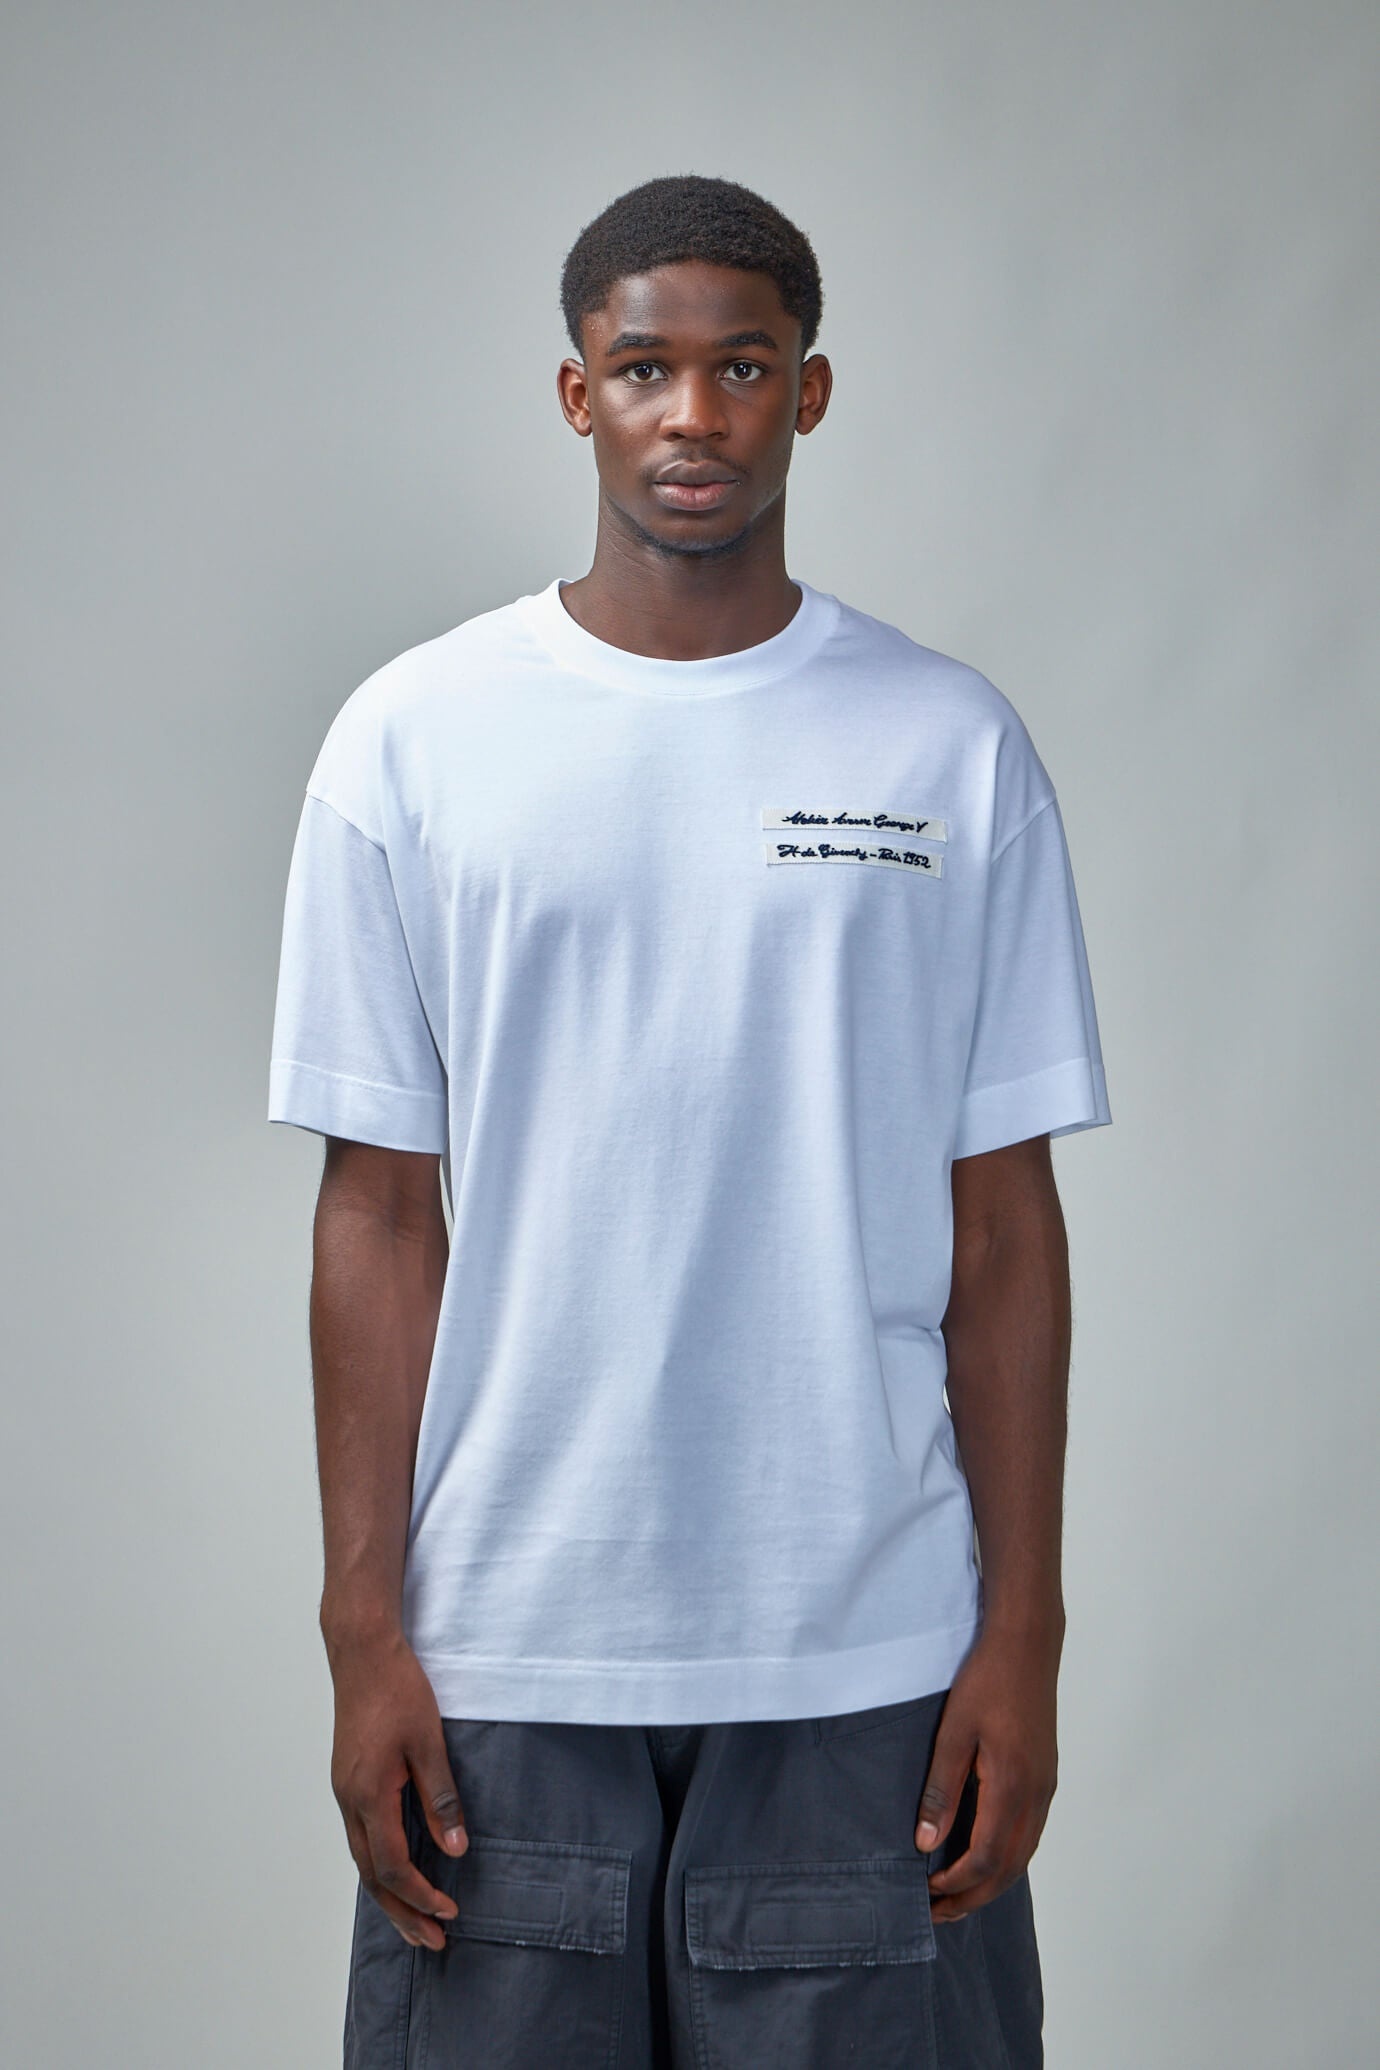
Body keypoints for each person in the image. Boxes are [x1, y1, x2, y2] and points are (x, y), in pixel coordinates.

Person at [267, 172, 1112, 2069]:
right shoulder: (412, 741)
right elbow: (379, 1215)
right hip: (504, 1651)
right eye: (645, 367)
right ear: (579, 394)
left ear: (809, 392)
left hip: (869, 1651)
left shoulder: (949, 747)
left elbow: (1004, 1231)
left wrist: (1024, 1634)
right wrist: (362, 1631)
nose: (694, 415)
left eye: (743, 367)